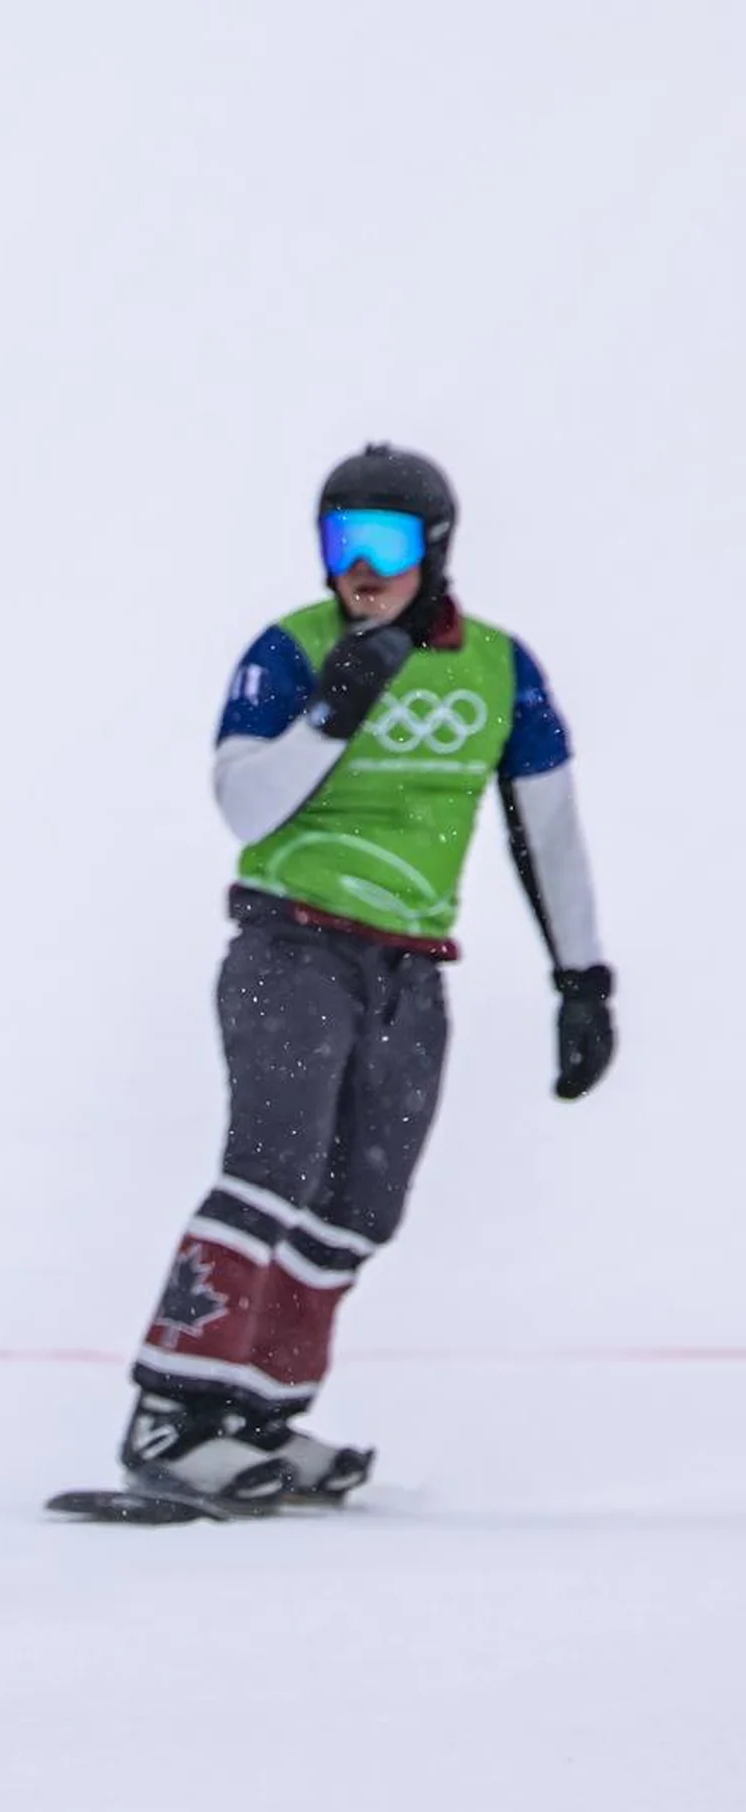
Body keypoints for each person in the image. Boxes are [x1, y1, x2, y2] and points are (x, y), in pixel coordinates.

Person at [115, 444, 615, 1511]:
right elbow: (244, 808)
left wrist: (583, 978)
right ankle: (169, 1412)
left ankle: (259, 1411)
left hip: (409, 969)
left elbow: (551, 829)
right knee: (270, 1169)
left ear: (435, 550)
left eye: (385, 544)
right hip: (290, 946)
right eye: (342, 542)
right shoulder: (292, 651)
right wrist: (332, 714)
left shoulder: (497, 667)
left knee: (359, 1203)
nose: (361, 569)